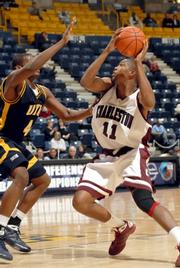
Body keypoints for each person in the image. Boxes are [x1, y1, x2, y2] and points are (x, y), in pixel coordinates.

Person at [72, 29, 180, 267]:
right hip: (105, 157)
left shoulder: (140, 97)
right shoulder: (106, 87)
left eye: (121, 64)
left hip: (132, 153)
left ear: (132, 72)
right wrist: (108, 49)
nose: (115, 66)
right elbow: (85, 82)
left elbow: (151, 103)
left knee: (143, 199)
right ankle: (121, 227)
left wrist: (139, 62)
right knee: (80, 201)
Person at [0, 18, 93, 262]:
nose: (36, 65)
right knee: (21, 175)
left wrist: (94, 108)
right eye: (29, 61)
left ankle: (12, 226)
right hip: (0, 137)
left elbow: (68, 115)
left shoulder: (42, 92)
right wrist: (61, 42)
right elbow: (31, 67)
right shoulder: (12, 83)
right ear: (18, 67)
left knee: (42, 180)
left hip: (16, 143)